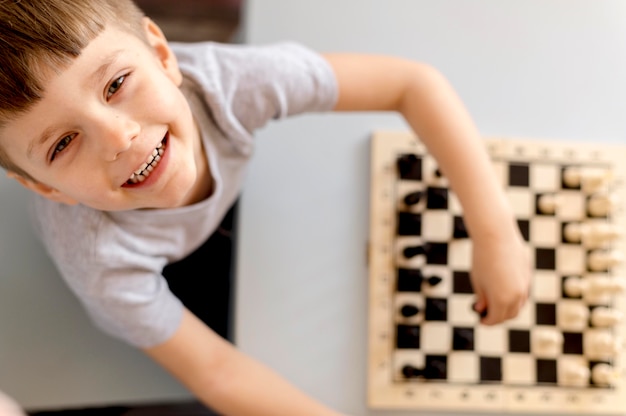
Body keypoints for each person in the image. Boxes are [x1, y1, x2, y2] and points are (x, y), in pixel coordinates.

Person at [0, 0, 530, 414]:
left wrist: (495, 232)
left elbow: (412, 84)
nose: (120, 137)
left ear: (163, 56)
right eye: (62, 145)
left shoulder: (228, 83)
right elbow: (215, 372)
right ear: (48, 189)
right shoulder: (98, 262)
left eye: (116, 84)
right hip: (167, 259)